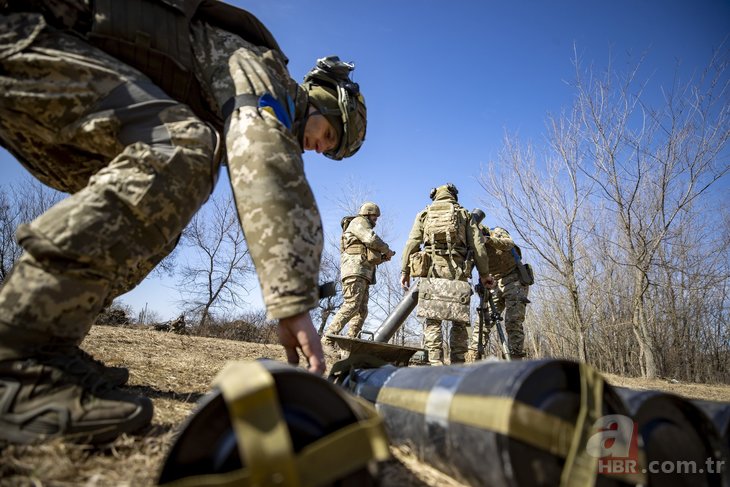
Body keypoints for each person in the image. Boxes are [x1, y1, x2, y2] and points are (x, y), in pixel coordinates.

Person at [0, 0, 367, 444]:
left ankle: (52, 340)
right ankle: (18, 357)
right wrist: (292, 296)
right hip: (22, 32)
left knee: (175, 197)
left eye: (330, 150)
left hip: (39, 47)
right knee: (185, 148)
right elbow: (265, 157)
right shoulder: (267, 74)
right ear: (322, 100)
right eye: (328, 135)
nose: (320, 148)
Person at [400, 184, 492, 365]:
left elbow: (411, 244)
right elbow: (478, 246)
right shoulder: (464, 214)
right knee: (459, 321)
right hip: (458, 271)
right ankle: (457, 364)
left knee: (433, 319)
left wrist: (405, 271)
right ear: (453, 196)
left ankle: (435, 364)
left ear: (435, 196)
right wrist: (484, 274)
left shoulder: (424, 214)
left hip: (432, 271)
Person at [325, 202, 395, 345]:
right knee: (351, 305)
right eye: (375, 218)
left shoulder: (363, 226)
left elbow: (367, 256)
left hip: (363, 273)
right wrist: (386, 249)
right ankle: (327, 339)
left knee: (362, 310)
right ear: (367, 214)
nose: (376, 221)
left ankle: (350, 342)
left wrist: (383, 258)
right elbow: (371, 238)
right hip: (354, 271)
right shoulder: (359, 222)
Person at [468, 209, 531, 359]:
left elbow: (509, 244)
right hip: (493, 283)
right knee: (483, 322)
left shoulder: (496, 232)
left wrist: (488, 240)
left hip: (513, 279)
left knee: (513, 321)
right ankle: (472, 358)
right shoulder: (471, 243)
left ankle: (515, 360)